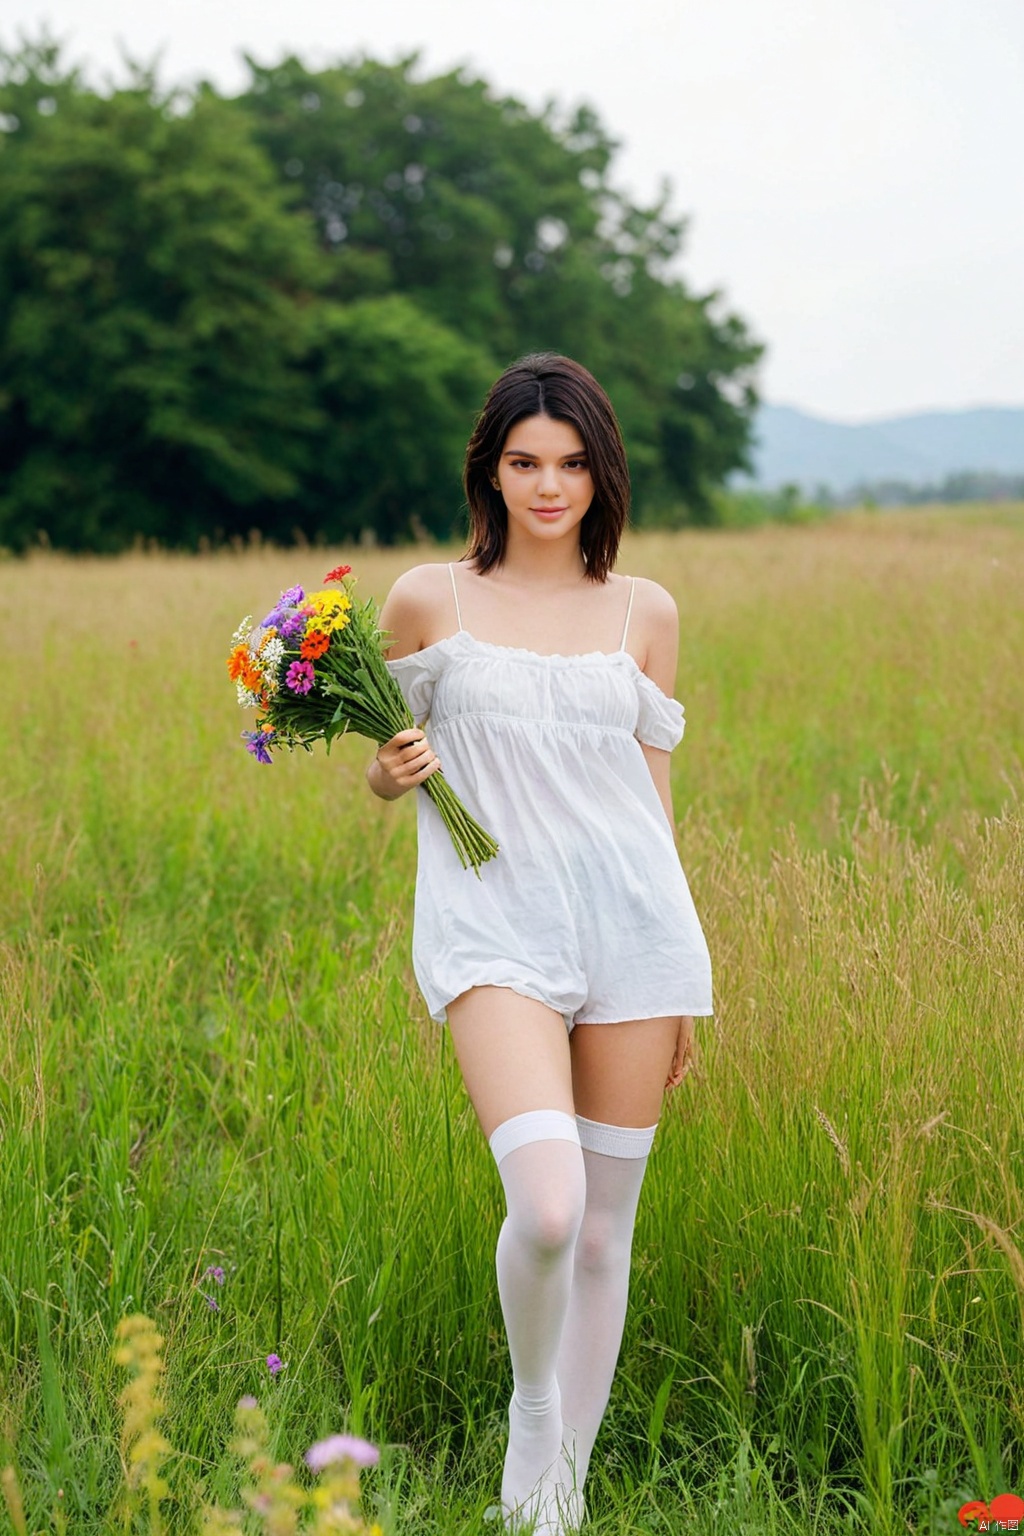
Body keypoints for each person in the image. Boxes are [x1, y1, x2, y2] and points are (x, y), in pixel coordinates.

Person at [365, 353, 713, 1534]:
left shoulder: (644, 611)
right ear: (491, 469)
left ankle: (556, 1491)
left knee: (609, 1231)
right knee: (553, 1209)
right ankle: (531, 1409)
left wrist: (682, 983)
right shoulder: (429, 599)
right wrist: (389, 769)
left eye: (569, 463)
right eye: (524, 462)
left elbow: (650, 801)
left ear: (599, 472)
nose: (547, 485)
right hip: (491, 931)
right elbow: (382, 758)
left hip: (637, 934)